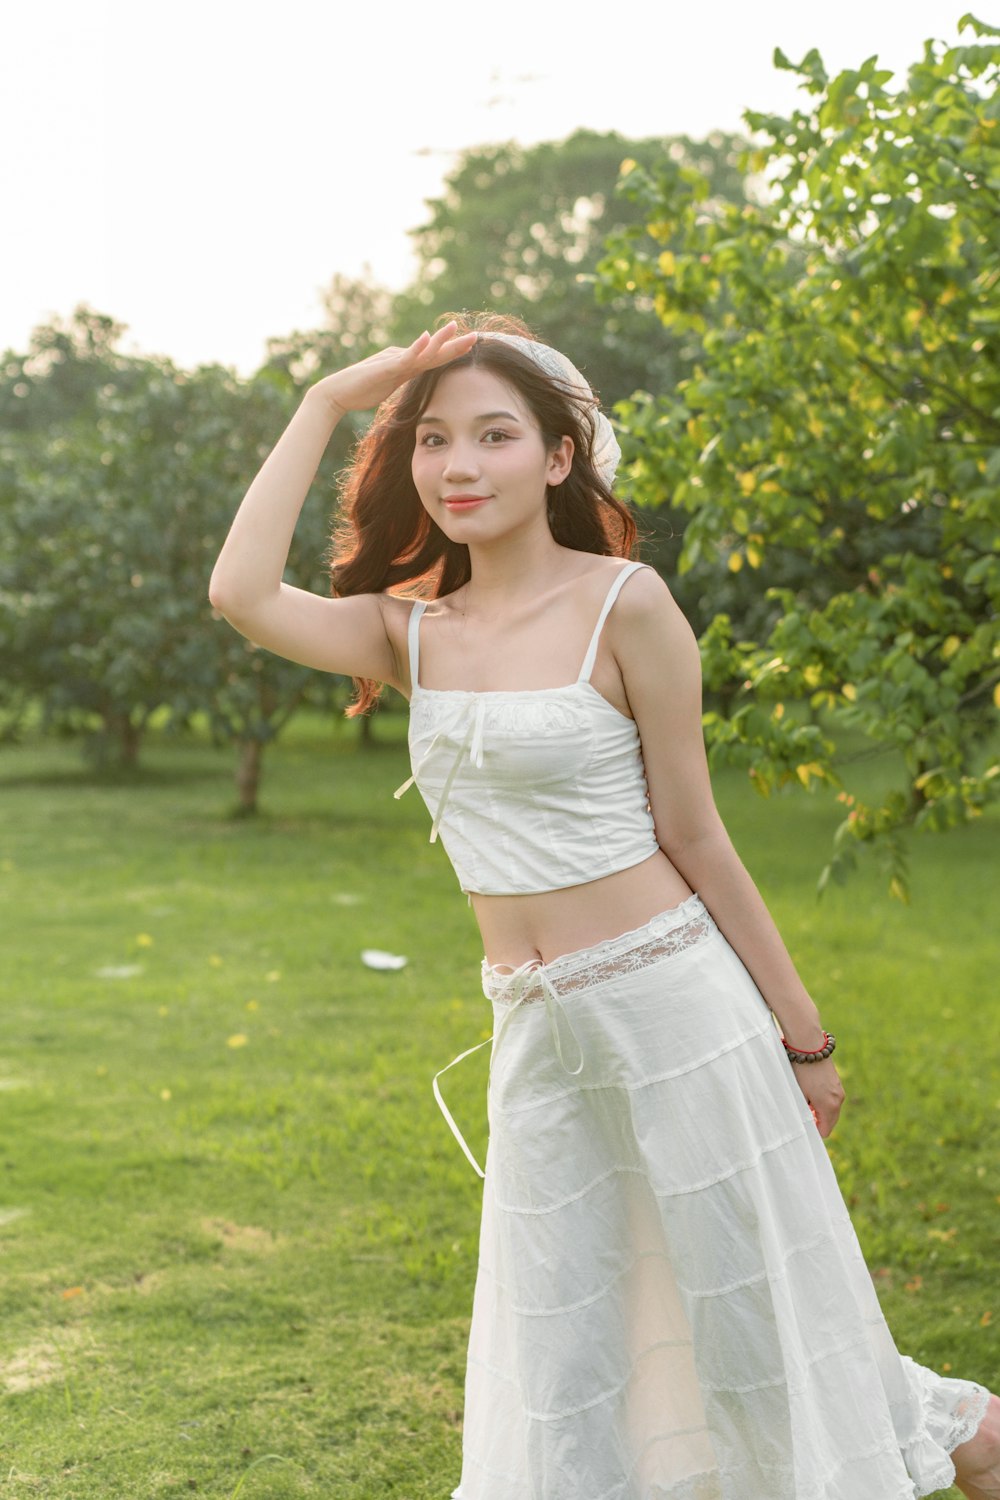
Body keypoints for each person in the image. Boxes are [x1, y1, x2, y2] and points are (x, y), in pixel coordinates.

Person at [208, 313, 999, 1499]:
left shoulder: (626, 606)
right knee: (570, 1329)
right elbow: (236, 592)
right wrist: (326, 401)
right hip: (538, 1031)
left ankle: (970, 1438)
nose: (458, 466)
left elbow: (697, 836)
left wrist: (803, 1034)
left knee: (747, 1318)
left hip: (675, 1010)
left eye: (494, 436)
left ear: (559, 458)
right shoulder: (410, 629)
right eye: (432, 439)